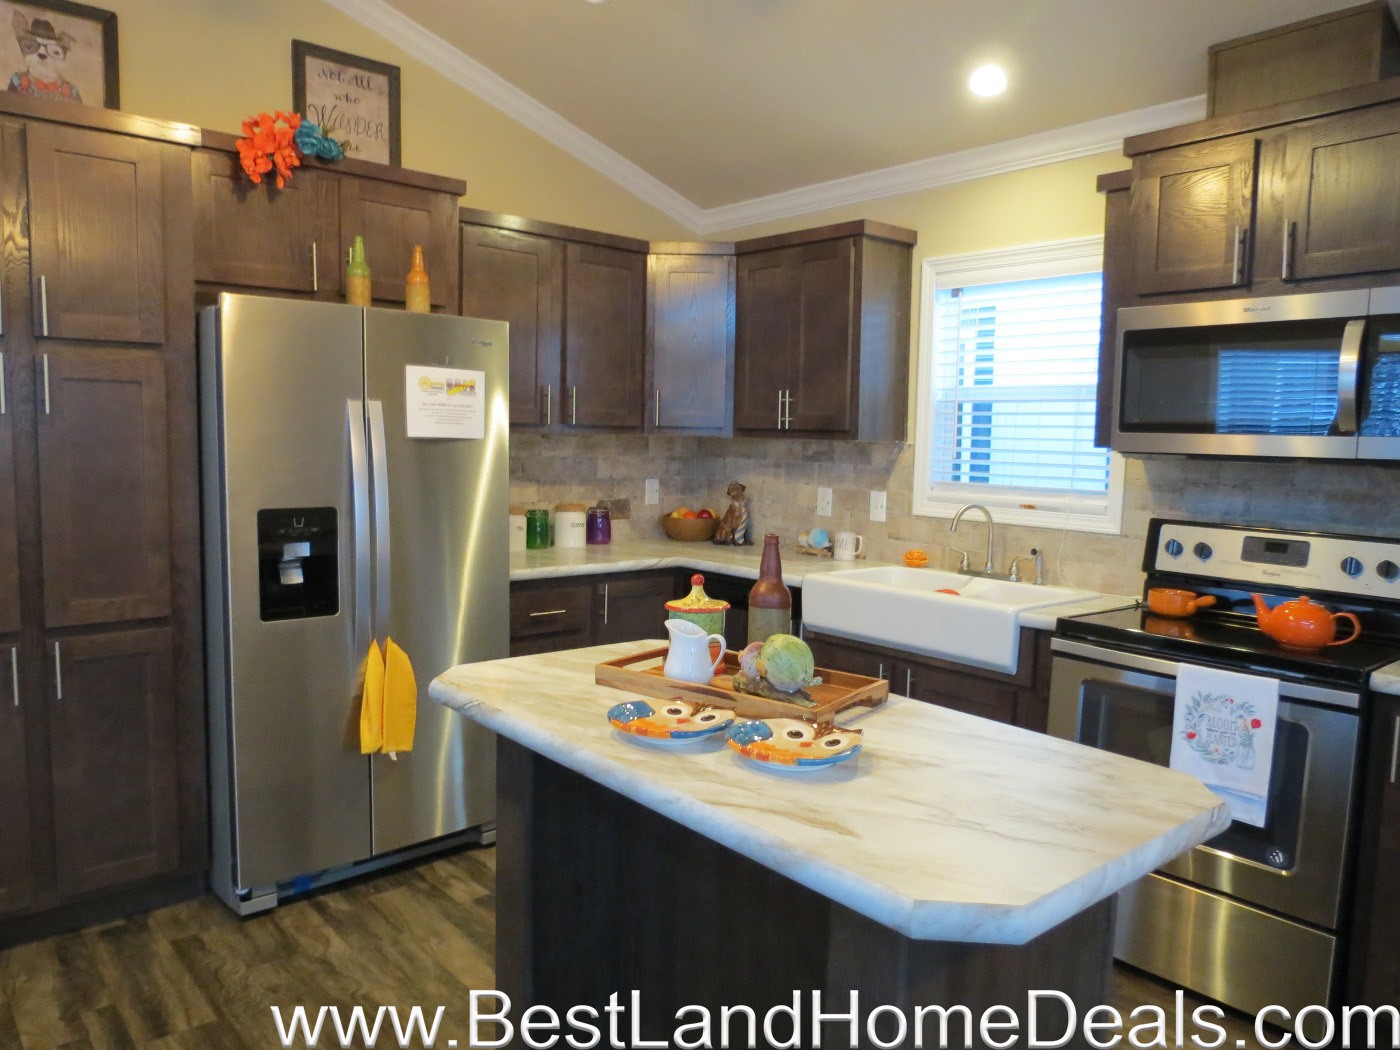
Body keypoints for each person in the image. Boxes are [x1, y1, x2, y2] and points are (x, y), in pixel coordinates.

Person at [8, 12, 81, 103]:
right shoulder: (17, 80)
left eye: (54, 51)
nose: (42, 54)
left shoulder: (72, 91)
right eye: (30, 47)